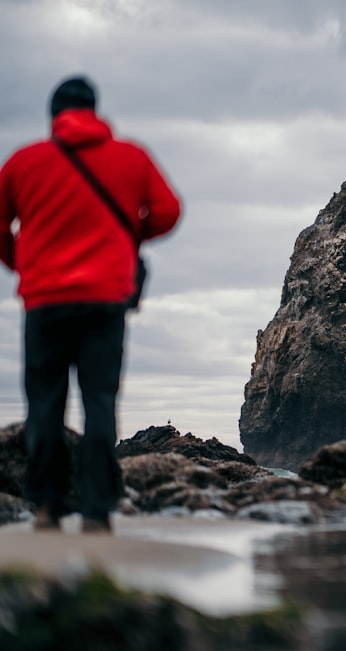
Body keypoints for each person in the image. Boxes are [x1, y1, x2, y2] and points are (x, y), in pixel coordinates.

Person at [0, 76, 181, 533]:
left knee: (45, 405)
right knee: (99, 402)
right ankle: (98, 511)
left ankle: (47, 508)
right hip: (105, 300)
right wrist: (127, 237)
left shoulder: (24, 162)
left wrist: (20, 262)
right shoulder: (131, 156)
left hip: (44, 301)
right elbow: (168, 211)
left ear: (54, 115)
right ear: (94, 111)